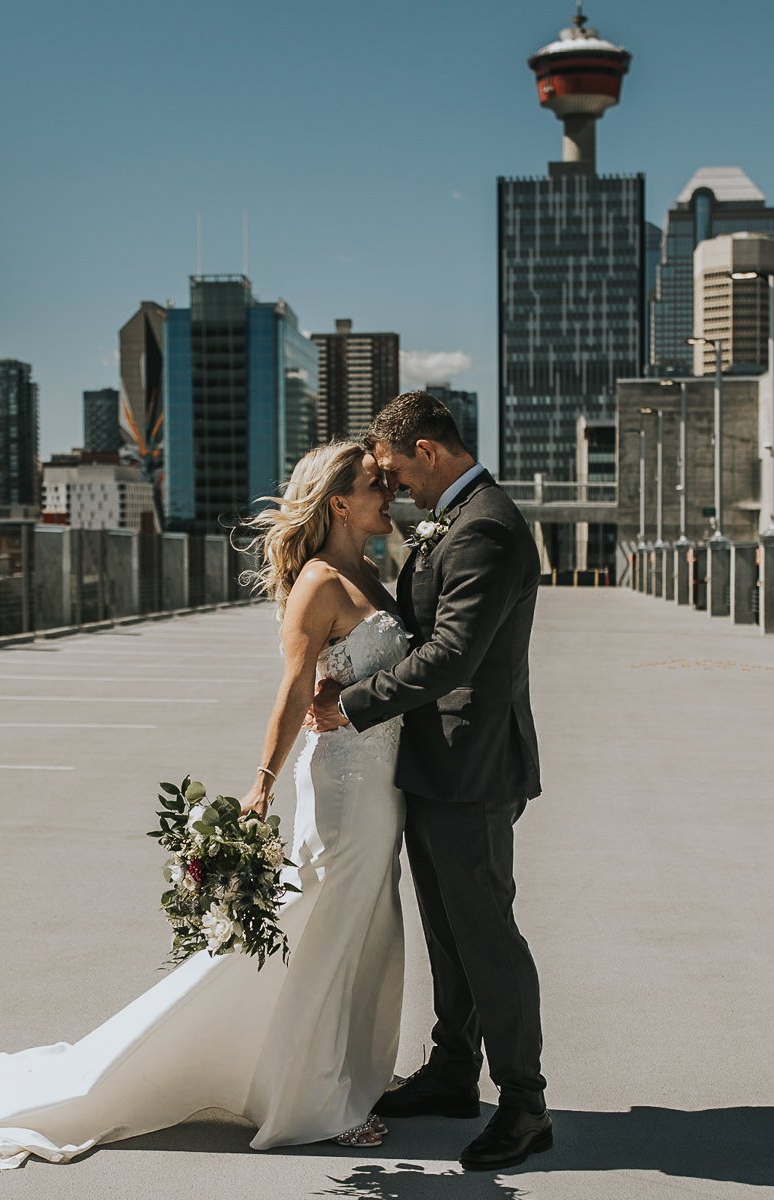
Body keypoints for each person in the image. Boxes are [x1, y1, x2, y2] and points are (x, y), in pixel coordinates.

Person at [0, 441, 411, 1175]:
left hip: (386, 787)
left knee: (365, 927)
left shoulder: (374, 571)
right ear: (337, 503)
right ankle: (313, 1099)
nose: (388, 493)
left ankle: (348, 1072)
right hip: (345, 792)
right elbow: (294, 690)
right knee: (330, 933)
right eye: (373, 484)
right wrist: (260, 784)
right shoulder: (320, 583)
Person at [309, 390, 549, 1172]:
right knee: (450, 934)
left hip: (472, 767)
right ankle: (454, 1071)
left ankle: (524, 1103)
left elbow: (452, 655)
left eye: (394, 469)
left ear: (430, 452)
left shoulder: (484, 527)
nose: (393, 485)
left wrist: (352, 705)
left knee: (487, 937)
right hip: (436, 764)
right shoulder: (460, 516)